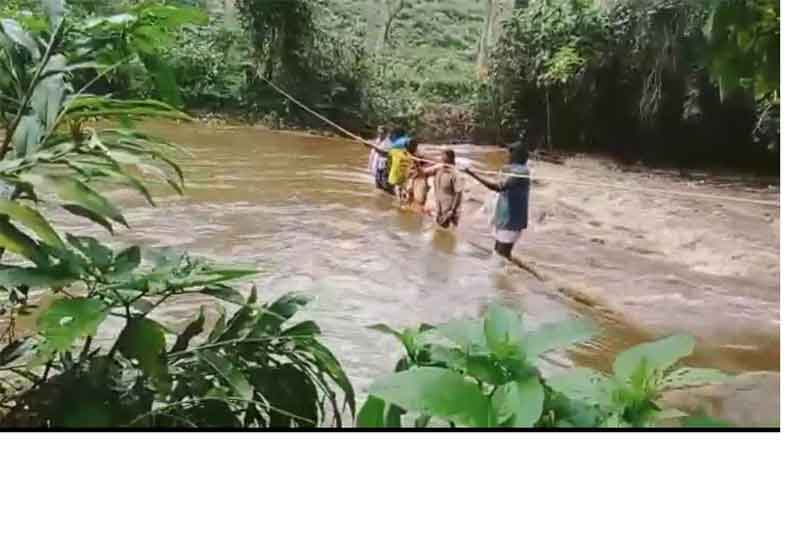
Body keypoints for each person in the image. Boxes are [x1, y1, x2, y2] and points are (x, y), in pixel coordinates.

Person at [464, 142, 531, 259]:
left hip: (511, 221)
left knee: (502, 256)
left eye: (510, 154)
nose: (508, 156)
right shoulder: (515, 169)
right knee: (498, 253)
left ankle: (517, 275)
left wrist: (472, 174)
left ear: (517, 156)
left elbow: (498, 187)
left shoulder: (521, 173)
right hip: (505, 219)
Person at [363, 135, 418, 200]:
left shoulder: (414, 157)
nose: (414, 149)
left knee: (391, 195)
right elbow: (383, 153)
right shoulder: (397, 152)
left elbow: (383, 153)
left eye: (414, 147)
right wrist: (372, 146)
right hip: (394, 179)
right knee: (389, 194)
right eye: (413, 147)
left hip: (400, 181)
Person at [421, 149, 463, 228]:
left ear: (451, 158)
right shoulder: (439, 169)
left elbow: (458, 193)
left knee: (449, 233)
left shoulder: (455, 173)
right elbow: (423, 173)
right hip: (439, 207)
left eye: (444, 156)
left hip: (450, 209)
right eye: (442, 156)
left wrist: (452, 210)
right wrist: (416, 164)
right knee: (439, 232)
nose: (441, 158)